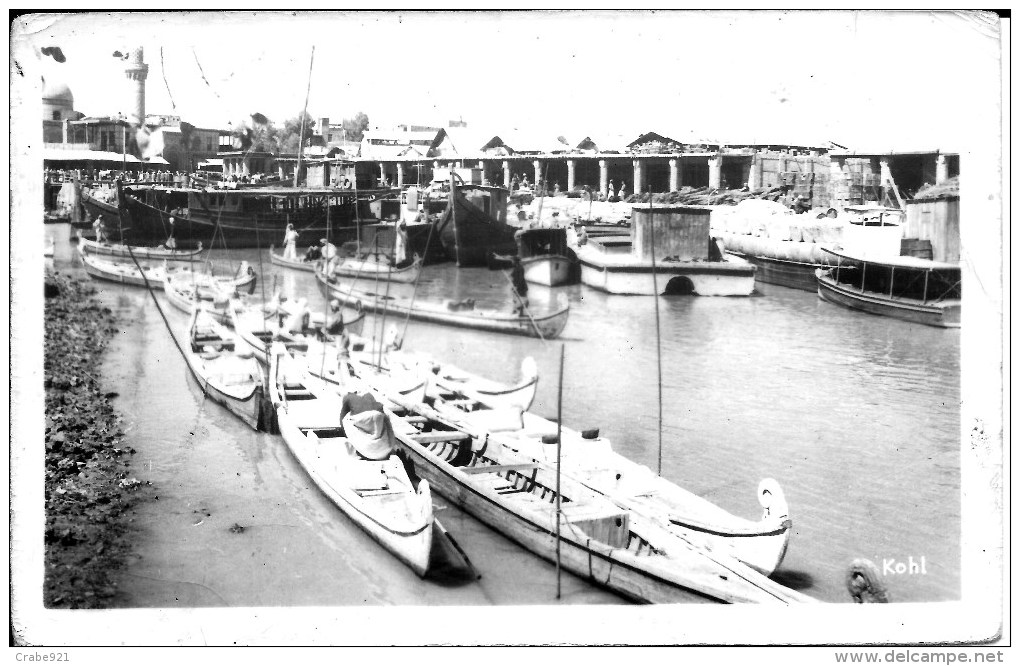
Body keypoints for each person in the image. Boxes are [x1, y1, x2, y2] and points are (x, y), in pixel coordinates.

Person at [339, 390, 395, 460]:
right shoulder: (385, 449)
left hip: (374, 415)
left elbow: (389, 427)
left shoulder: (388, 448)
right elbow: (388, 425)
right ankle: (356, 394)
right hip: (373, 416)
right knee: (366, 397)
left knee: (362, 397)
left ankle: (356, 395)